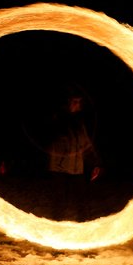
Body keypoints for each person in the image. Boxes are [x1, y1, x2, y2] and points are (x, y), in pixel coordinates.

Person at [47, 91, 101, 221]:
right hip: (59, 168)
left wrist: (95, 163)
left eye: (79, 102)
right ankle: (56, 227)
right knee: (59, 200)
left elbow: (86, 144)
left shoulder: (79, 123)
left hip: (76, 168)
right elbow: (50, 137)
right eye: (75, 102)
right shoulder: (57, 120)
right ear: (67, 103)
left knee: (81, 199)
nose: (78, 105)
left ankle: (83, 226)